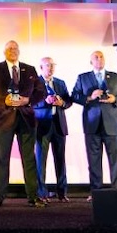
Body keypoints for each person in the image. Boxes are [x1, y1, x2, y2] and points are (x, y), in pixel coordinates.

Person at [0, 40, 45, 207]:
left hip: (26, 120)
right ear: (4, 52)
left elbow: (41, 91)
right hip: (3, 120)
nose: (13, 51)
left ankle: (33, 195)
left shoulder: (30, 69)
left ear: (19, 51)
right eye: (9, 48)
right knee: (1, 159)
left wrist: (28, 100)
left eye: (15, 48)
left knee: (29, 159)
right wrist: (4, 101)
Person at [72, 50, 117, 200]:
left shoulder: (115, 77)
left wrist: (115, 100)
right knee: (93, 161)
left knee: (116, 160)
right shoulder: (83, 77)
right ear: (91, 61)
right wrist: (89, 97)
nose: (99, 59)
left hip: (112, 124)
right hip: (92, 124)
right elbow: (74, 95)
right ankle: (96, 193)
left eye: (101, 57)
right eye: (96, 57)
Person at [34, 56, 73, 202]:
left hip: (59, 126)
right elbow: (31, 103)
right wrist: (45, 101)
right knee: (40, 161)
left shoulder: (60, 83)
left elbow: (68, 101)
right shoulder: (35, 83)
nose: (50, 68)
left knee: (60, 160)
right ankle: (41, 193)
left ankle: (62, 193)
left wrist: (62, 102)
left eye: (52, 65)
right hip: (42, 126)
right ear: (41, 67)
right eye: (47, 65)